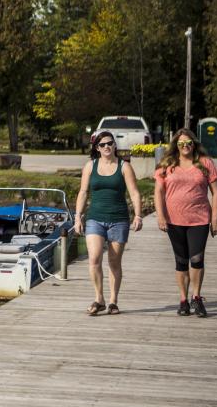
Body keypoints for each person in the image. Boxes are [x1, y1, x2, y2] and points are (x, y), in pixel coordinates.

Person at [153, 129, 217, 317]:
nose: (185, 146)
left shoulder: (205, 163)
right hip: (173, 220)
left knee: (197, 259)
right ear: (176, 145)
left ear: (194, 143)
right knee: (181, 261)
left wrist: (215, 219)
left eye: (189, 143)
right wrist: (160, 216)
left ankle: (196, 297)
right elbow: (158, 192)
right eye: (181, 143)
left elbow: (216, 192)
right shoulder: (167, 164)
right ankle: (183, 300)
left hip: (199, 219)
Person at [74, 131, 144, 315]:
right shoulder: (90, 166)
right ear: (97, 148)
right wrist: (77, 216)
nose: (107, 147)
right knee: (94, 258)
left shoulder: (124, 166)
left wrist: (138, 215)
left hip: (118, 220)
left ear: (114, 145)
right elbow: (83, 192)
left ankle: (113, 301)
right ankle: (99, 299)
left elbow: (134, 193)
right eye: (102, 144)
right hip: (95, 218)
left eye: (110, 143)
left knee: (114, 261)